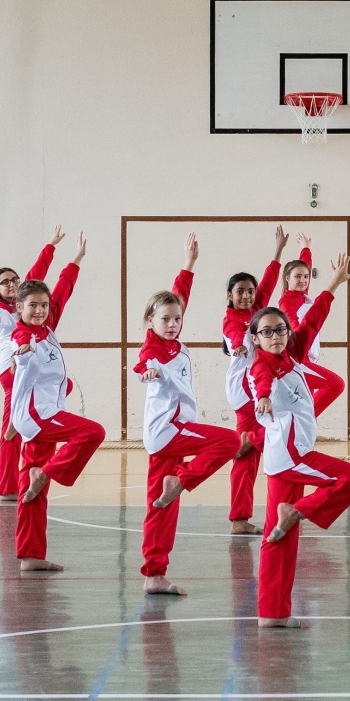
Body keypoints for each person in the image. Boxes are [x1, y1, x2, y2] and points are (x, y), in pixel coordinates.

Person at [253, 255, 350, 628]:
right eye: (266, 331)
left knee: (279, 537)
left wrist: (333, 283)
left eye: (280, 329)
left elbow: (314, 317)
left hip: (284, 457)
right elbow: (261, 381)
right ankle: (298, 511)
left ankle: (273, 614)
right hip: (290, 456)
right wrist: (264, 396)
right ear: (255, 338)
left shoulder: (294, 355)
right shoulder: (262, 365)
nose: (275, 335)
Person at [133, 233, 239, 596]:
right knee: (229, 440)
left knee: (162, 506)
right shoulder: (155, 347)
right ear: (150, 321)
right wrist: (146, 369)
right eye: (165, 319)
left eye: (177, 319)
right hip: (171, 430)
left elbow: (179, 297)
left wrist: (189, 264)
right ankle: (184, 479)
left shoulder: (174, 340)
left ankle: (154, 574)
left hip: (165, 436)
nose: (173, 323)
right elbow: (145, 361)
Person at [8, 233, 101, 572]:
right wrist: (23, 351)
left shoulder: (47, 328)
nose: (40, 310)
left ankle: (30, 556)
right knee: (92, 433)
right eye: (32, 305)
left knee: (31, 481)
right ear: (19, 308)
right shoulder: (23, 335)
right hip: (37, 415)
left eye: (43, 306)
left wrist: (75, 260)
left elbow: (62, 292)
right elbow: (21, 347)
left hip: (43, 413)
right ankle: (47, 474)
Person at [0, 227, 59, 500]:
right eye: (6, 282)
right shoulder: (3, 311)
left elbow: (37, 273)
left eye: (15, 280)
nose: (13, 284)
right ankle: (7, 487)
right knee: (10, 431)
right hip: (12, 369)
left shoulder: (26, 302)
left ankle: (16, 479)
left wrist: (50, 245)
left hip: (25, 368)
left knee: (63, 386)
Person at [221, 227, 288, 534]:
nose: (247, 296)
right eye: (240, 292)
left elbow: (271, 282)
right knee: (247, 457)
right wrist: (238, 343)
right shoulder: (232, 320)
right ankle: (239, 518)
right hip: (246, 392)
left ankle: (250, 515)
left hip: (260, 388)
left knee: (269, 444)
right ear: (230, 296)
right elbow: (236, 334)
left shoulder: (257, 310)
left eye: (250, 291)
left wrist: (277, 252)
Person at [279, 235, 347, 422]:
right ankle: (301, 421)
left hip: (306, 360)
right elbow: (298, 330)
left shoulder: (301, 296)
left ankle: (300, 428)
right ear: (287, 278)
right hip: (298, 360)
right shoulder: (287, 302)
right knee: (335, 385)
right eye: (298, 277)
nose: (303, 280)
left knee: (305, 402)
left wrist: (306, 247)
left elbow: (305, 264)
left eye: (306, 277)